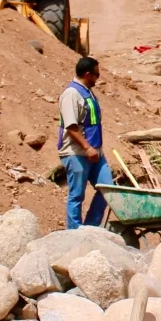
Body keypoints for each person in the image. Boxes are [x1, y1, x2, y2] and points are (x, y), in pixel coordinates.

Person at [59, 56, 113, 229]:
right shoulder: (71, 94)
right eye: (97, 75)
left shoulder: (87, 91)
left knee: (108, 190)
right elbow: (71, 126)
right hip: (77, 153)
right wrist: (87, 148)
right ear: (88, 74)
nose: (98, 78)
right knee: (77, 195)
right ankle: (74, 233)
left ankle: (90, 228)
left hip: (95, 152)